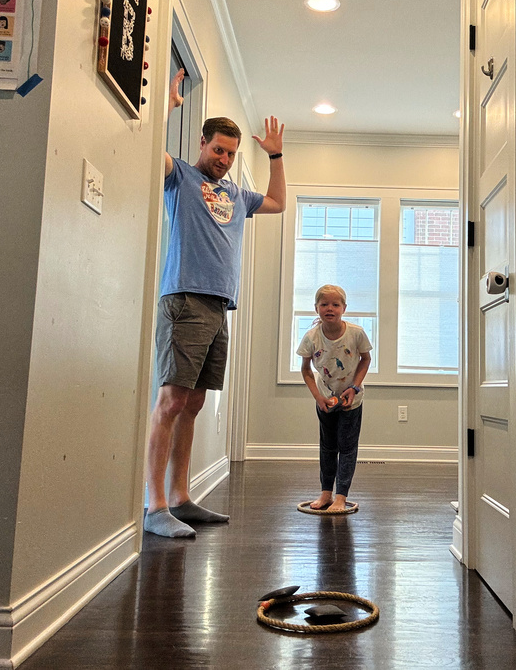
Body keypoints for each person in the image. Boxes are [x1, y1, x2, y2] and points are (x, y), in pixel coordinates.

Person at [143, 69, 286, 538]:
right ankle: (155, 506)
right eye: (217, 149)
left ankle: (181, 498)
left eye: (230, 153)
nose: (223, 159)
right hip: (184, 298)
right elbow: (146, 149)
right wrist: (163, 106)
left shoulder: (235, 194)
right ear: (202, 144)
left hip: (220, 306)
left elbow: (278, 203)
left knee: (196, 400)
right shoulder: (181, 177)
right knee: (171, 399)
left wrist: (276, 156)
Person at [297, 285, 372, 512]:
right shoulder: (311, 338)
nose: (330, 308)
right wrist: (318, 398)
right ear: (316, 308)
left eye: (335, 304)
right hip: (325, 401)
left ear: (344, 308)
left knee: (347, 448)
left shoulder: (356, 333)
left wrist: (354, 388)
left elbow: (365, 359)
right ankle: (326, 493)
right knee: (327, 447)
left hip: (351, 401)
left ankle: (341, 497)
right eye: (324, 304)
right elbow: (306, 370)